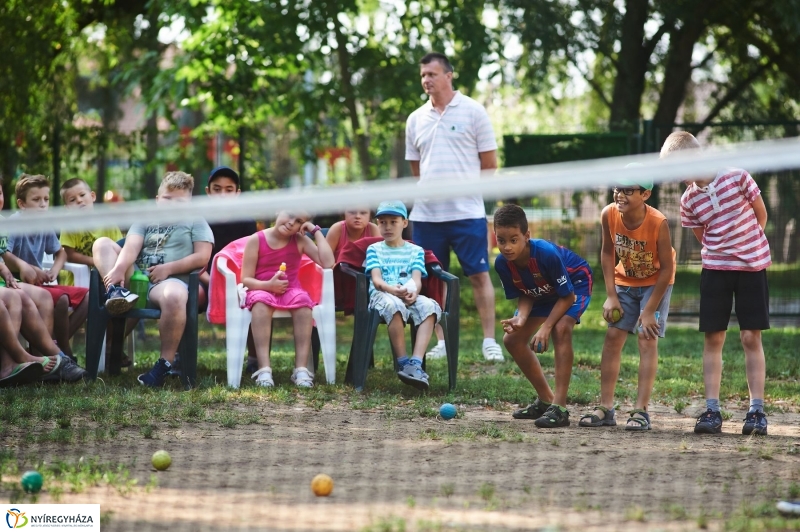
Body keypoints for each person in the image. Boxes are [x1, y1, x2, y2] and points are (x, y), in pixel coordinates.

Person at [664, 131, 771, 436]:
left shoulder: (737, 177)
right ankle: (712, 411)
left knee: (750, 337)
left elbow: (761, 215)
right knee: (713, 338)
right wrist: (723, 252)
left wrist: (746, 248)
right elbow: (703, 236)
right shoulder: (688, 200)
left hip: (751, 268)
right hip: (715, 271)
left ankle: (756, 411)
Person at [406, 52, 503, 362]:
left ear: (448, 76)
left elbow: (490, 164)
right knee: (433, 279)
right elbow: (416, 169)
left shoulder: (474, 111)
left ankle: (490, 341)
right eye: (423, 75)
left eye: (432, 74)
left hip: (467, 214)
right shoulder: (415, 118)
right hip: (426, 216)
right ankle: (441, 342)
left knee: (479, 275)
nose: (426, 80)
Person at [93, 171, 214, 387]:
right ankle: (116, 292)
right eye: (167, 199)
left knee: (175, 294)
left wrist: (168, 268)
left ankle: (163, 365)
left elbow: (202, 256)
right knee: (102, 243)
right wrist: (119, 268)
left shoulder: (196, 221)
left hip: (168, 283)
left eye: (179, 202)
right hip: (136, 279)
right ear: (158, 199)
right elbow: (131, 246)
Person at [579, 171, 675, 431]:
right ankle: (606, 408)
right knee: (612, 338)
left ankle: (641, 411)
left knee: (646, 338)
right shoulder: (609, 214)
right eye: (617, 189)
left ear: (645, 194)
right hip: (625, 281)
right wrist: (611, 295)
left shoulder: (658, 222)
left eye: (628, 190)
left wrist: (649, 310)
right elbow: (607, 253)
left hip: (656, 282)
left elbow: (667, 269)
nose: (620, 195)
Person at [494, 204, 592, 428]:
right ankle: (546, 400)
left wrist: (546, 327)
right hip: (544, 290)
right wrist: (521, 318)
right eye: (501, 240)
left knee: (561, 328)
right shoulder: (502, 263)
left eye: (513, 240)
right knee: (512, 340)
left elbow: (567, 297)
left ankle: (560, 408)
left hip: (575, 283)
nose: (507, 247)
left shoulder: (546, 254)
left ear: (526, 236)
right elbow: (526, 292)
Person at [241, 210, 334, 388]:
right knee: (260, 305)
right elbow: (246, 279)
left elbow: (328, 263)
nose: (292, 222)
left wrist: (315, 231)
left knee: (304, 306)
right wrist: (268, 285)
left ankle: (301, 369)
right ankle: (264, 369)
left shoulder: (299, 240)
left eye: (299, 221)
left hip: (290, 289)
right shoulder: (256, 240)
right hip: (261, 288)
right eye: (290, 215)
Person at [2, 174, 89, 361]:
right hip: (17, 281)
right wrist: (26, 266)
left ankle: (57, 346)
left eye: (46, 199)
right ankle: (56, 353)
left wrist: (54, 270)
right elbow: (4, 254)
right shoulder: (14, 224)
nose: (43, 205)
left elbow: (61, 252)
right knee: (62, 300)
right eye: (36, 200)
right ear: (22, 204)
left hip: (39, 282)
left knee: (88, 297)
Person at [366, 201, 441, 391]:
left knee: (430, 306)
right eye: (383, 222)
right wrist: (393, 290)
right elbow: (377, 281)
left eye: (393, 222)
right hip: (382, 295)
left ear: (404, 223)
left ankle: (415, 364)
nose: (388, 227)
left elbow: (416, 280)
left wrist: (413, 292)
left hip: (407, 294)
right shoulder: (374, 249)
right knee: (394, 305)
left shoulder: (416, 251)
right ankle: (403, 362)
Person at [201, 166, 259, 372]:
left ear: (237, 193)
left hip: (241, 282)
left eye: (229, 189)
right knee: (189, 296)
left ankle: (256, 360)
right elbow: (197, 264)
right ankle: (179, 358)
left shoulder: (246, 222)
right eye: (217, 189)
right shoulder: (199, 220)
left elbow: (250, 260)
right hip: (204, 280)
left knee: (257, 298)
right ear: (208, 192)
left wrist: (238, 285)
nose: (223, 194)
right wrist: (212, 282)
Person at [58, 178, 123, 286]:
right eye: (72, 200)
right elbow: (70, 255)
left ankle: (114, 291)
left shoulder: (108, 223)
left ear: (92, 196)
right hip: (78, 283)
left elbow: (118, 248)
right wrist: (98, 262)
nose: (79, 200)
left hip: (107, 279)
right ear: (67, 208)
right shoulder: (69, 225)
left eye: (82, 195)